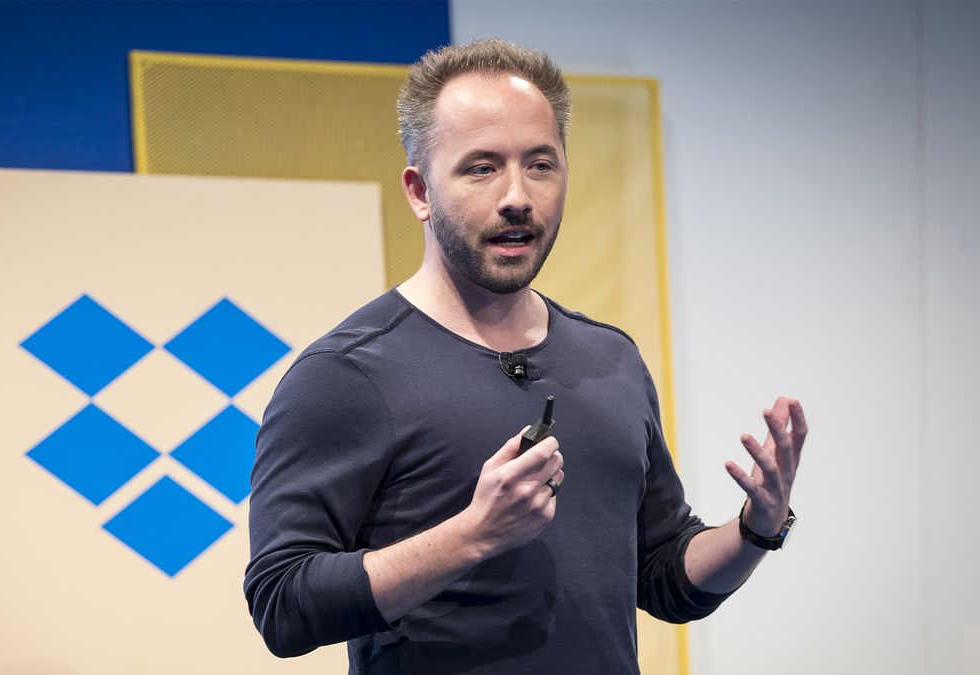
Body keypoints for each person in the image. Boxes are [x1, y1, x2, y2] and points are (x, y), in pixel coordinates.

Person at [244, 38, 806, 673]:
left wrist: (756, 529)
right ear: (420, 191)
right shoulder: (345, 374)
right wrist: (472, 535)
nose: (518, 195)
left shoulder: (611, 358)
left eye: (540, 164)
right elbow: (283, 606)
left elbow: (663, 578)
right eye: (481, 167)